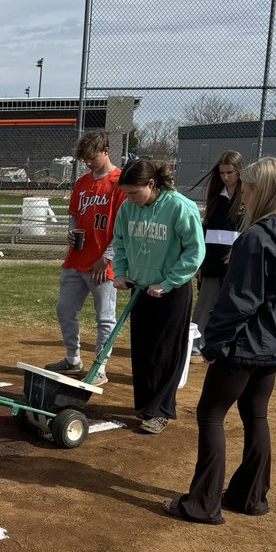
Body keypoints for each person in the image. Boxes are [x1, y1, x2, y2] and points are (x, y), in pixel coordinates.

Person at [163, 157, 276, 524]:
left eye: (246, 190)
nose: (241, 197)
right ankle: (250, 495)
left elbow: (240, 301)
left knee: (210, 413)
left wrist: (214, 344)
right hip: (274, 343)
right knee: (255, 414)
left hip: (244, 344)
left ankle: (203, 503)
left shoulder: (256, 238)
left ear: (261, 191)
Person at [111, 158, 205, 434]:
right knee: (142, 351)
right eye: (126, 193)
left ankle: (160, 411)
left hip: (172, 291)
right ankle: (146, 405)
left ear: (151, 184)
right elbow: (119, 242)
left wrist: (169, 282)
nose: (130, 199)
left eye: (134, 192)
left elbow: (195, 251)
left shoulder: (179, 207)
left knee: (165, 352)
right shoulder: (128, 208)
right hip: (141, 288)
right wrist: (120, 272)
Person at [45, 131, 126, 386]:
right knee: (65, 309)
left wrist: (107, 257)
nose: (89, 163)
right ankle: (73, 359)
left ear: (106, 151)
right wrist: (71, 231)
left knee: (105, 317)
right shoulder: (82, 183)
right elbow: (73, 214)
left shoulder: (120, 182)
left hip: (102, 264)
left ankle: (100, 367)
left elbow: (123, 227)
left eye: (92, 158)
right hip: (76, 260)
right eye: (85, 159)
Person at [190, 151, 246, 360]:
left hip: (237, 262)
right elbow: (206, 230)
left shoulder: (247, 195)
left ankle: (228, 347)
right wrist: (201, 263)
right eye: (222, 173)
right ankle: (196, 347)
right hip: (213, 261)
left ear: (239, 171)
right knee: (206, 304)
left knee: (233, 306)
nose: (225, 177)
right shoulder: (216, 196)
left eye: (230, 172)